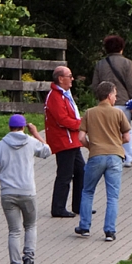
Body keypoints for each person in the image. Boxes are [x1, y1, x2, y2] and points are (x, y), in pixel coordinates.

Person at [0, 114, 52, 264]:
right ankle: (29, 258)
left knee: (14, 231)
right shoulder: (30, 142)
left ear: (9, 128)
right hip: (28, 192)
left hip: (8, 194)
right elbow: (47, 151)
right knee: (30, 226)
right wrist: (36, 133)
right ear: (23, 127)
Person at [74, 81, 131, 242]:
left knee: (87, 191)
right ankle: (109, 231)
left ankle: (84, 227)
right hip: (115, 157)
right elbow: (127, 137)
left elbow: (80, 137)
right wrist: (114, 144)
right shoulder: (118, 113)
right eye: (114, 94)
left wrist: (92, 147)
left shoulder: (89, 113)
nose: (116, 97)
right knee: (112, 196)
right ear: (108, 95)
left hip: (96, 156)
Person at [91, 35, 132, 167]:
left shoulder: (100, 64)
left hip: (105, 103)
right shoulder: (127, 63)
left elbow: (95, 85)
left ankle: (113, 155)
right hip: (124, 102)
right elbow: (131, 84)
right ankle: (128, 157)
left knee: (109, 130)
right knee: (126, 129)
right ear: (121, 48)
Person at [45, 66, 85, 218]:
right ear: (61, 78)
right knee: (65, 174)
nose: (72, 78)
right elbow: (62, 120)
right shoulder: (55, 96)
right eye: (70, 75)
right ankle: (58, 208)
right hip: (63, 141)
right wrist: (80, 124)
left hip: (72, 140)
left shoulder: (64, 94)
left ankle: (79, 205)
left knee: (81, 171)